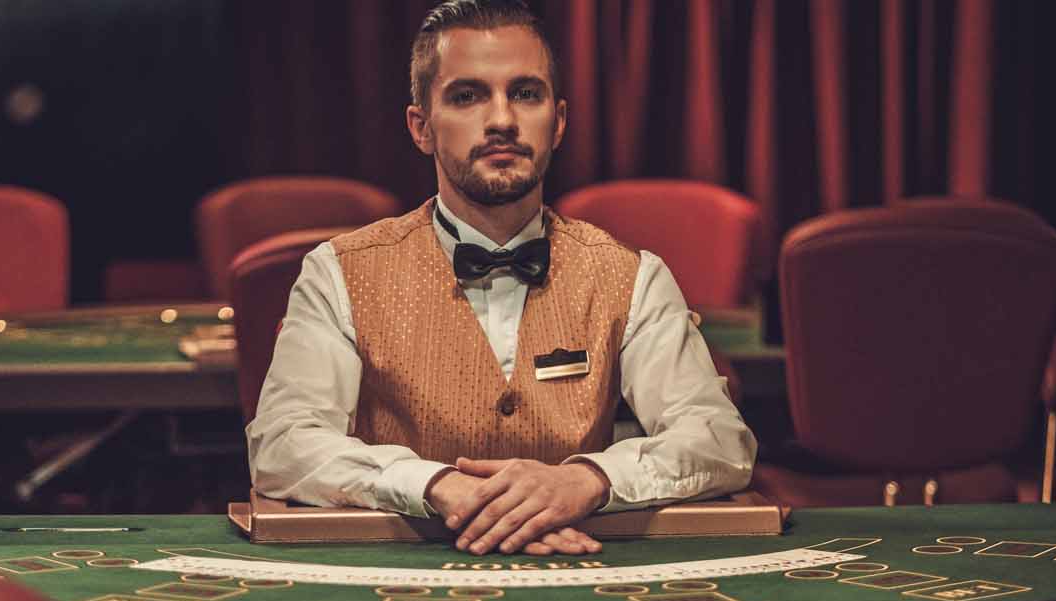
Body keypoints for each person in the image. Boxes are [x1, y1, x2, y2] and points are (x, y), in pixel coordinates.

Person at [247, 0, 755, 557]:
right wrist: (437, 485)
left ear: (557, 122)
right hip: (394, 573)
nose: (502, 121)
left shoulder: (632, 275)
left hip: (579, 569)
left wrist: (588, 479)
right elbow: (282, 444)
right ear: (421, 127)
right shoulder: (338, 272)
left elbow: (718, 440)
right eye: (467, 96)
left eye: (525, 93)